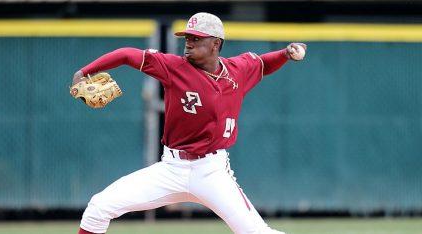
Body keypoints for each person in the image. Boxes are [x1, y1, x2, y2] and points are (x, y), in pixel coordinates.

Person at [73, 12, 306, 234]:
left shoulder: (238, 70)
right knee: (98, 208)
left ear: (216, 44)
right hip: (171, 169)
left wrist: (285, 54)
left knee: (256, 231)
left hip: (212, 172)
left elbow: (263, 65)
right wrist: (85, 71)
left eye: (196, 39)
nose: (189, 43)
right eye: (187, 38)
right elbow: (126, 55)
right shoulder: (173, 67)